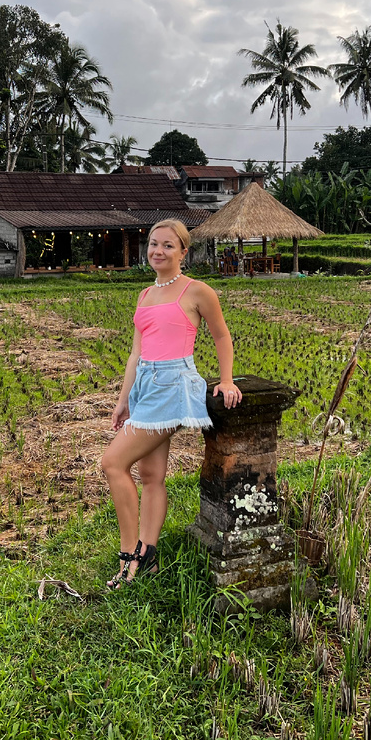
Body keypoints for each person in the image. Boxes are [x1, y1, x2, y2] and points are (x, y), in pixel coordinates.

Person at [101, 219, 242, 588]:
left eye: (167, 245)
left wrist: (226, 380)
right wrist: (123, 401)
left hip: (173, 386)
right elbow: (136, 354)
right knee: (151, 476)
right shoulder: (145, 295)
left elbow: (222, 336)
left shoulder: (197, 291)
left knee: (113, 463)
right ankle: (147, 555)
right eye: (152, 244)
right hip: (146, 386)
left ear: (183, 251)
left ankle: (130, 554)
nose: (157, 251)